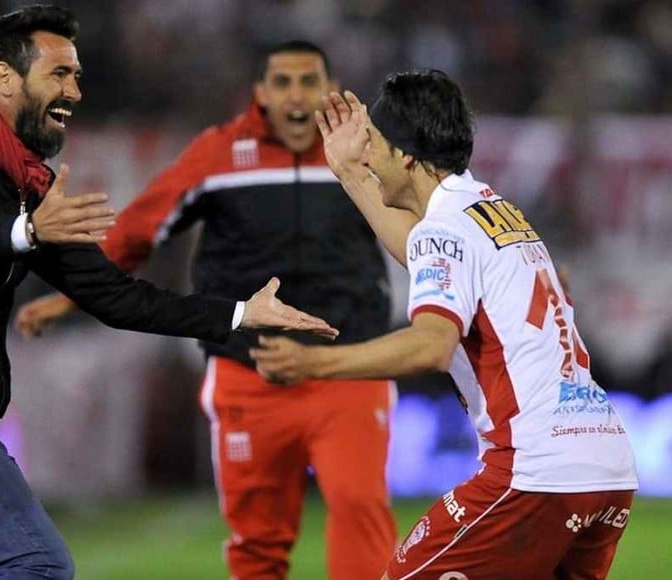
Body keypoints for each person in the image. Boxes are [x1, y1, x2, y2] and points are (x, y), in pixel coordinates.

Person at [0, 6, 335, 580]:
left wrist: (239, 312)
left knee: (9, 568)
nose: (74, 91)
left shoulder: (29, 187)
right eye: (58, 74)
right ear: (6, 79)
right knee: (38, 564)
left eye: (76, 75)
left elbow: (115, 296)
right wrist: (25, 232)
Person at [16, 40, 399, 580]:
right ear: (261, 93)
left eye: (308, 81)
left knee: (362, 507)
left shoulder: (366, 154)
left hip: (350, 368)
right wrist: (70, 295)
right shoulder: (220, 154)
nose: (296, 95)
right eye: (282, 82)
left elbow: (429, 223)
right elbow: (141, 227)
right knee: (258, 542)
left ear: (329, 89)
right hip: (249, 368)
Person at [250, 71, 639, 579]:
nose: (369, 157)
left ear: (406, 155)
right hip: (606, 464)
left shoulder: (445, 230)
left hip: (536, 469)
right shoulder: (487, 208)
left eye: (374, 145)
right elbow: (420, 247)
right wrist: (348, 172)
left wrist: (314, 362)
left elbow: (433, 343)